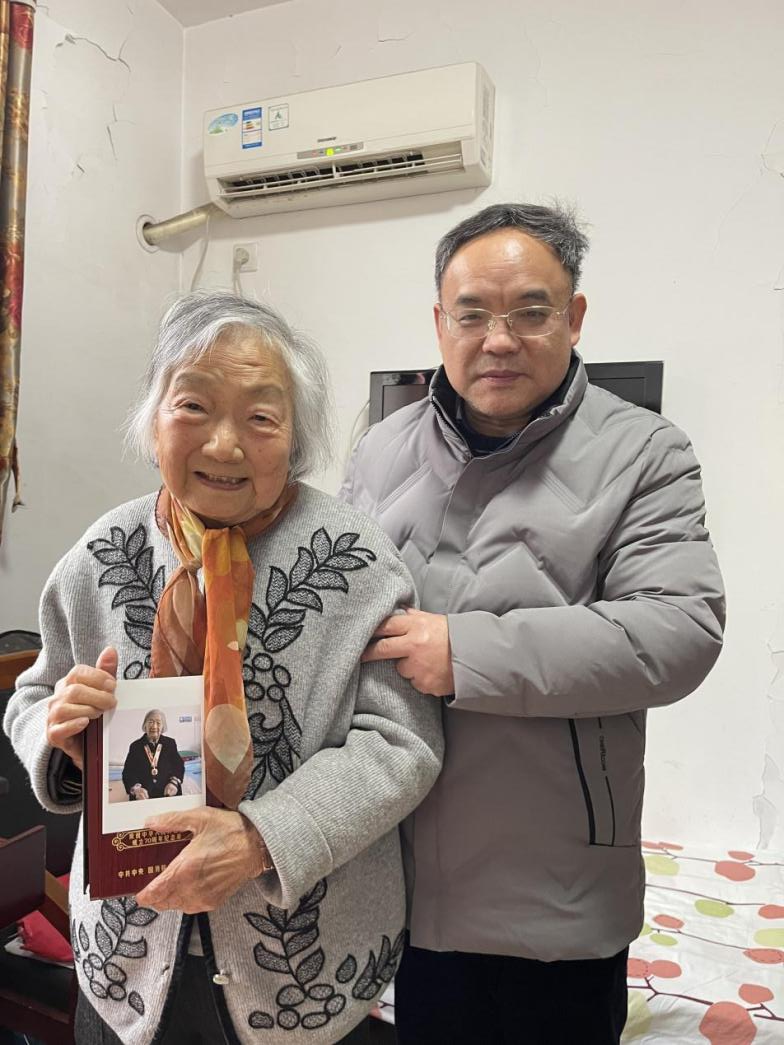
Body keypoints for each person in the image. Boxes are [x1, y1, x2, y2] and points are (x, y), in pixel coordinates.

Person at [4, 291, 443, 1045]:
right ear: (154, 420)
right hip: (124, 967)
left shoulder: (357, 560)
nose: (224, 443)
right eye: (194, 406)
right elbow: (34, 693)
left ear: (297, 436)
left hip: (301, 978)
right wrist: (59, 733)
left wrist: (260, 838)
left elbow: (401, 742)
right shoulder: (101, 553)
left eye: (260, 417)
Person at [340, 202, 725, 1045]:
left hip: (557, 896)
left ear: (574, 317)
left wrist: (465, 651)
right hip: (403, 883)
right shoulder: (379, 450)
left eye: (529, 312)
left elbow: (679, 630)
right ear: (439, 325)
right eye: (472, 314)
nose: (498, 340)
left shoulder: (645, 452)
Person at [122, 709, 185, 801]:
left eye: (158, 723)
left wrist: (174, 783)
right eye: (150, 722)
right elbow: (128, 772)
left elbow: (178, 766)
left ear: (163, 727)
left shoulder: (170, 743)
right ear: (145, 725)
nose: (154, 726)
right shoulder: (135, 746)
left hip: (167, 793)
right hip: (144, 796)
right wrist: (136, 789)